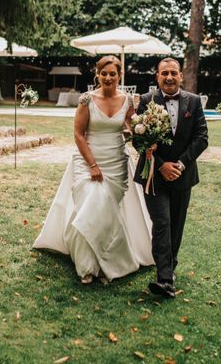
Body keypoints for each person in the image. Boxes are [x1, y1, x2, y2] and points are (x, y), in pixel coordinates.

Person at [33, 56, 153, 284]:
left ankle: (106, 264)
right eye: (104, 73)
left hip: (116, 162)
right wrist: (93, 165)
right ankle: (87, 267)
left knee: (106, 213)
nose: (108, 78)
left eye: (113, 74)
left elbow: (129, 126)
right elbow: (78, 134)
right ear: (97, 75)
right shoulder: (86, 99)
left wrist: (142, 134)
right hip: (87, 161)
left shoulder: (128, 100)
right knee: (89, 209)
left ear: (120, 76)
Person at [133, 58, 208, 298]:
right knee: (162, 222)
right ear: (157, 76)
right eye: (164, 73)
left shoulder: (194, 102)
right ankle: (164, 279)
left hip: (183, 175)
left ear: (180, 76)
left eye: (173, 73)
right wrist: (162, 165)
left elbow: (202, 137)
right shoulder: (146, 101)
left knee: (176, 224)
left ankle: (170, 265)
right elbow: (138, 138)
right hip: (153, 174)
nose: (169, 77)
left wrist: (181, 164)